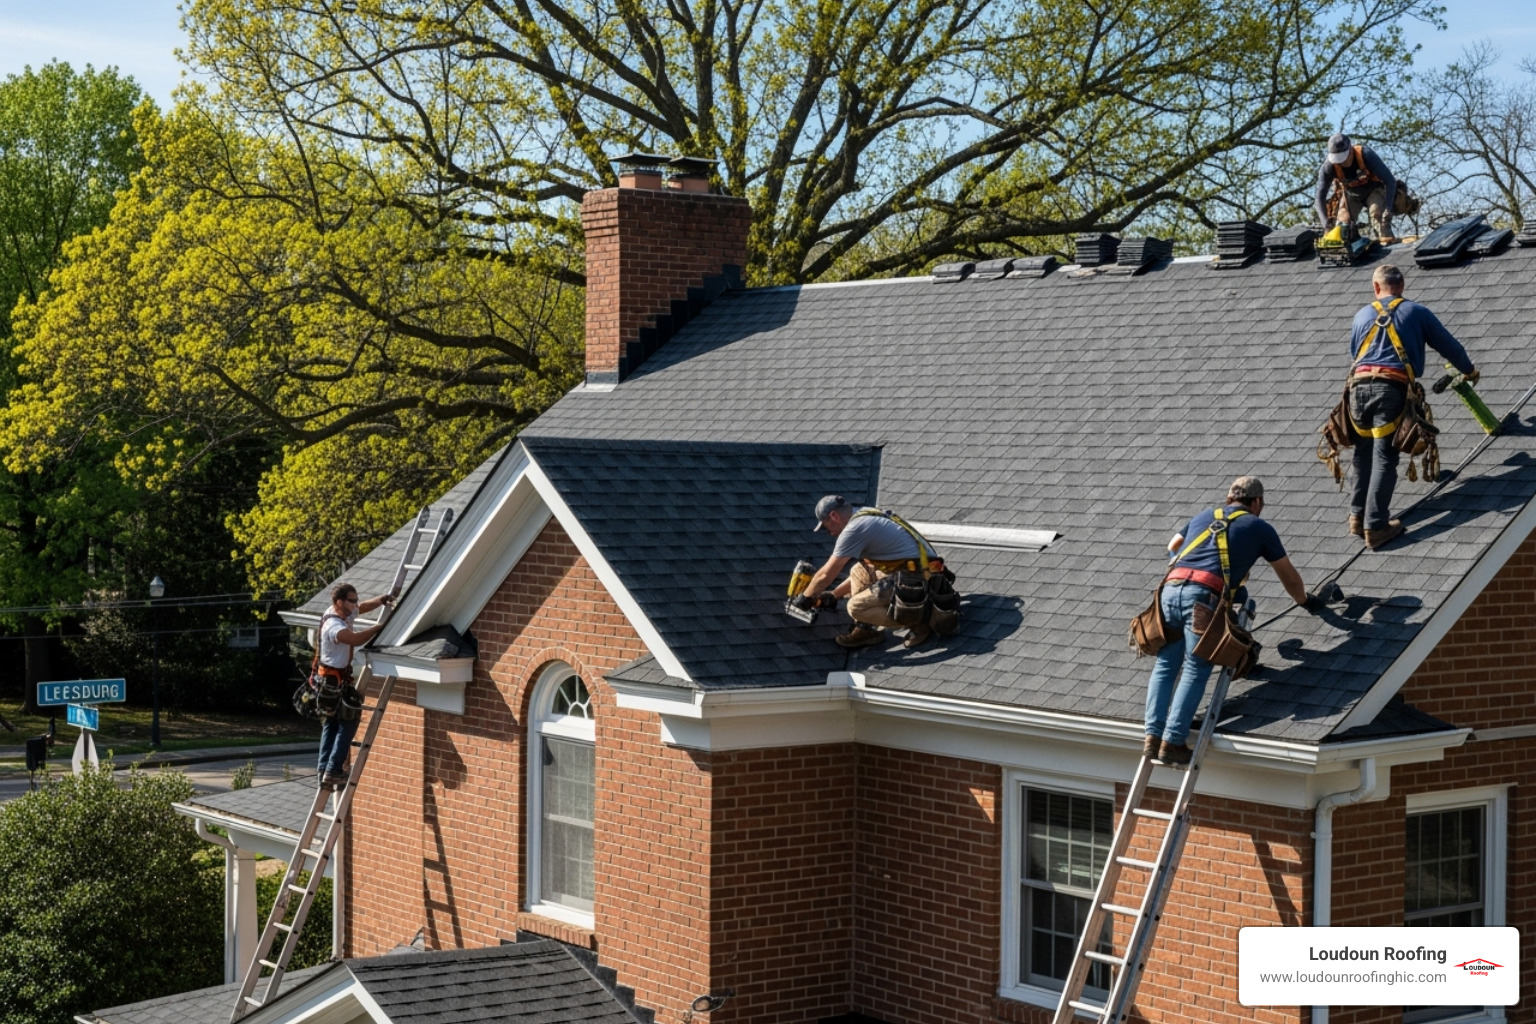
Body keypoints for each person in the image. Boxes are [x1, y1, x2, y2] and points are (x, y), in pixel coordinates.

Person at [1146, 477, 1318, 767]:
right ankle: (1173, 741)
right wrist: (1304, 601)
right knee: (1196, 666)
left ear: (1228, 499)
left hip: (1169, 590)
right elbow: (1288, 576)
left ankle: (1152, 737)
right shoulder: (1258, 527)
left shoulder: (1204, 516)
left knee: (1165, 664)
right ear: (1257, 502)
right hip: (1202, 597)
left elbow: (1172, 545)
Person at [1346, 264, 1478, 549]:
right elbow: (1448, 346)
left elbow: (1355, 354)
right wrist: (1468, 371)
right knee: (1385, 457)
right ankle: (1376, 526)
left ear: (1376, 288)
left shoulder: (1361, 314)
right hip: (1389, 388)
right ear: (1402, 287)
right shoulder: (1417, 312)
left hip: (1356, 390)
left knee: (1362, 453)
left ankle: (1357, 517)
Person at [796, 495, 944, 650]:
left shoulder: (854, 529)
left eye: (826, 527)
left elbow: (825, 575)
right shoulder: (865, 513)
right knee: (858, 570)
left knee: (855, 607)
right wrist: (834, 595)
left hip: (919, 580)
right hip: (921, 570)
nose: (830, 533)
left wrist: (805, 598)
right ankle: (866, 629)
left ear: (834, 516)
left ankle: (920, 619)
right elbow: (869, 567)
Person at [315, 583, 393, 789]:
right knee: (347, 722)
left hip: (335, 678)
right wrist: (380, 628)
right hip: (333, 681)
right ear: (339, 602)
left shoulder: (343, 613)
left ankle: (324, 769)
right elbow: (355, 639)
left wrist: (380, 600)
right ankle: (332, 770)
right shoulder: (334, 626)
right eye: (352, 600)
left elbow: (363, 607)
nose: (356, 604)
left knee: (331, 724)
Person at [1314, 133, 1400, 243]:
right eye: (1338, 160)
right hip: (1351, 194)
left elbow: (1390, 180)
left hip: (1374, 190)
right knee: (1341, 226)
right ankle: (1345, 251)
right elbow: (1319, 198)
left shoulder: (1366, 154)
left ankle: (1386, 244)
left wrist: (1388, 208)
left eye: (1343, 158)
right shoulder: (1328, 167)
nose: (1341, 162)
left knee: (1377, 214)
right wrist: (1325, 223)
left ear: (1350, 150)